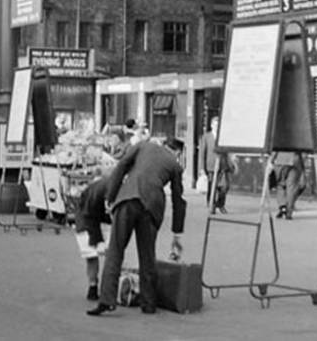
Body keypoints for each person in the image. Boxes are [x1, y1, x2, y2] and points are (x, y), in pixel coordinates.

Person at [88, 135, 186, 316]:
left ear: (164, 144)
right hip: (151, 206)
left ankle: (107, 300)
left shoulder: (142, 145)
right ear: (178, 152)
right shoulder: (175, 165)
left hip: (127, 198)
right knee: (147, 254)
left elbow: (121, 166)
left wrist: (110, 197)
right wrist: (177, 234)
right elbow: (178, 200)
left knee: (115, 251)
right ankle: (149, 303)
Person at [74, 176, 112, 302]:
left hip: (101, 217)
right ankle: (94, 285)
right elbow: (88, 216)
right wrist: (98, 240)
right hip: (86, 215)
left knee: (108, 253)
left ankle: (102, 287)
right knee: (91, 252)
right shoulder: (99, 190)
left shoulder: (114, 187)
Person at [202, 115, 235, 214]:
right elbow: (202, 153)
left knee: (225, 187)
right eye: (215, 124)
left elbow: (228, 151)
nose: (217, 126)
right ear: (212, 125)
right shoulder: (206, 136)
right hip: (211, 166)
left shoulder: (223, 136)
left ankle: (221, 204)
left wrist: (231, 163)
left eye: (218, 125)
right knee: (212, 186)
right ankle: (211, 204)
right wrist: (201, 169)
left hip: (223, 166)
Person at [272, 151, 307, 220]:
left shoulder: (280, 140)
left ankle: (282, 206)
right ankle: (289, 212)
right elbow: (304, 154)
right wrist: (302, 165)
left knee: (280, 185)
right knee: (291, 188)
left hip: (280, 161)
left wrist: (271, 160)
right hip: (295, 161)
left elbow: (274, 150)